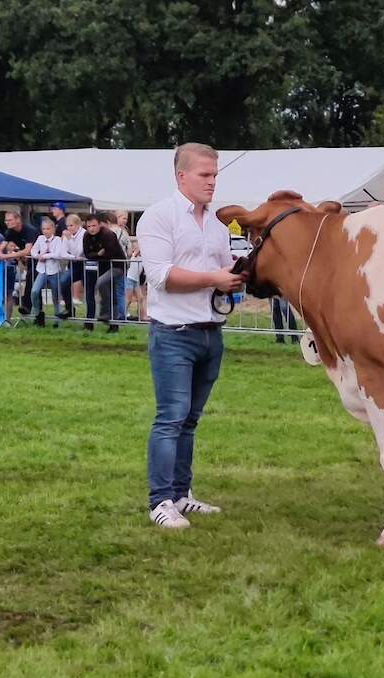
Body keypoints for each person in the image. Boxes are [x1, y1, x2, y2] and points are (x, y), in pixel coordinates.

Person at [137, 142, 245, 529]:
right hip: (173, 334)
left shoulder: (217, 227)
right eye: (205, 175)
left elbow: (223, 272)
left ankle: (181, 495)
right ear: (181, 176)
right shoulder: (157, 218)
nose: (212, 182)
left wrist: (235, 277)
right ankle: (160, 501)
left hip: (210, 334)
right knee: (171, 418)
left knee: (190, 421)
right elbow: (162, 277)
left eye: (215, 175)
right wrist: (215, 277)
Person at [82, 212, 126, 332]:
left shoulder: (108, 234)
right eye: (89, 226)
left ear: (100, 224)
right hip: (99, 267)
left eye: (94, 225)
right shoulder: (86, 236)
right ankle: (97, 323)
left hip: (117, 266)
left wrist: (98, 255)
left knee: (102, 283)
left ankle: (106, 313)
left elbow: (110, 253)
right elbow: (87, 254)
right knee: (99, 291)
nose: (91, 229)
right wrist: (98, 254)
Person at [29, 217, 66, 327]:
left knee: (55, 296)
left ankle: (57, 319)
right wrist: (37, 256)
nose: (46, 231)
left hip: (54, 270)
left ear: (53, 229)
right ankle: (37, 313)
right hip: (42, 270)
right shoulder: (40, 238)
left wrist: (45, 256)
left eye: (48, 229)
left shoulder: (58, 240)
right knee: (35, 291)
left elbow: (57, 254)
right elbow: (33, 250)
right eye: (44, 229)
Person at [3, 210, 39, 315]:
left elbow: (28, 250)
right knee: (34, 287)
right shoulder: (10, 232)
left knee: (31, 280)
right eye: (6, 220)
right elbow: (3, 246)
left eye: (9, 220)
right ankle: (37, 314)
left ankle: (26, 306)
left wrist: (7, 255)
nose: (7, 222)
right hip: (29, 261)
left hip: (42, 259)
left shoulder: (29, 230)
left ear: (18, 220)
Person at [61, 213, 86, 317]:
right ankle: (69, 308)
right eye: (67, 226)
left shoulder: (84, 234)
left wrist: (70, 240)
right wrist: (73, 257)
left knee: (88, 289)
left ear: (78, 225)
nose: (69, 228)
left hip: (85, 264)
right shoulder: (68, 235)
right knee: (63, 282)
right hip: (74, 264)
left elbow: (78, 251)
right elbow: (63, 253)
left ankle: (90, 315)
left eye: (71, 225)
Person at [106, 211, 130, 321]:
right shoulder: (124, 233)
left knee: (109, 291)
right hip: (121, 264)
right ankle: (122, 315)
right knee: (120, 292)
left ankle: (111, 314)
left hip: (108, 264)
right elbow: (129, 251)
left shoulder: (107, 232)